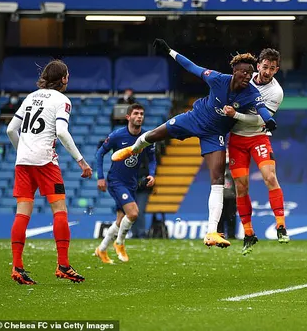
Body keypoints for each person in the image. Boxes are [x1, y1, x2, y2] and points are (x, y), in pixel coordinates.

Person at [111, 38, 277, 249]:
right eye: (244, 72)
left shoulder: (251, 93)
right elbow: (191, 66)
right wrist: (170, 51)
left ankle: (211, 232)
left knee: (217, 179)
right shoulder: (218, 79)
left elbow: (261, 109)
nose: (247, 76)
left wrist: (269, 120)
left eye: (250, 73)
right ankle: (131, 150)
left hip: (214, 134)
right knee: (153, 135)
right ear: (234, 71)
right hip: (194, 119)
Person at [6, 59, 92, 284]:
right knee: (59, 210)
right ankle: (63, 265)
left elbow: (10, 129)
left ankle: (17, 267)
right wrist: (81, 161)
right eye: (67, 75)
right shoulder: (62, 100)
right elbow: (62, 132)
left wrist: (22, 150)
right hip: (45, 162)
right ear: (63, 78)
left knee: (22, 213)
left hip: (23, 162)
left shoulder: (31, 97)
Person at [223, 48, 289, 255]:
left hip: (259, 136)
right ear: (257, 65)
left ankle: (280, 226)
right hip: (236, 140)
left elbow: (262, 120)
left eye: (272, 68)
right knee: (241, 187)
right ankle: (249, 233)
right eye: (265, 66)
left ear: (276, 69)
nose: (267, 71)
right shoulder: (244, 77)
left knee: (270, 177)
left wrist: (236, 115)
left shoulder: (276, 92)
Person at [94, 103, 156, 263]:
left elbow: (152, 158)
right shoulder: (117, 135)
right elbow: (100, 153)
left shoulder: (146, 137)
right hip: (116, 181)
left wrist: (152, 174)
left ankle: (101, 249)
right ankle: (119, 243)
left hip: (132, 183)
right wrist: (100, 177)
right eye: (136, 113)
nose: (139, 116)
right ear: (128, 117)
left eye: (142, 113)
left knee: (120, 220)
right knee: (134, 213)